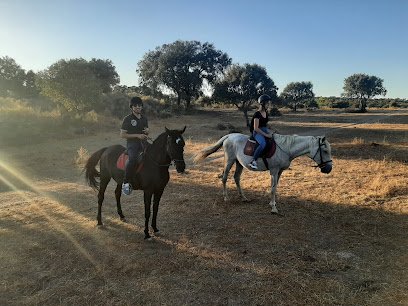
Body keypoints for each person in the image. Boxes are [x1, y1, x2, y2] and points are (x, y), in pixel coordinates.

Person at [120, 96, 149, 195]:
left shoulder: (144, 118)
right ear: (131, 107)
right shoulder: (127, 119)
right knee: (132, 159)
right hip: (132, 144)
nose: (138, 108)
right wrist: (137, 135)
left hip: (144, 142)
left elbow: (145, 132)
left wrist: (147, 131)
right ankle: (126, 182)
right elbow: (122, 134)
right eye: (136, 106)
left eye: (140, 106)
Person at [248, 94, 273, 170]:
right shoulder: (257, 114)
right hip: (257, 132)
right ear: (263, 104)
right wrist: (266, 135)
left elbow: (265, 124)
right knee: (263, 143)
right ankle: (253, 161)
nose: (269, 104)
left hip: (264, 129)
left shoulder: (266, 113)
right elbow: (256, 128)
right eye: (267, 103)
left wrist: (271, 130)